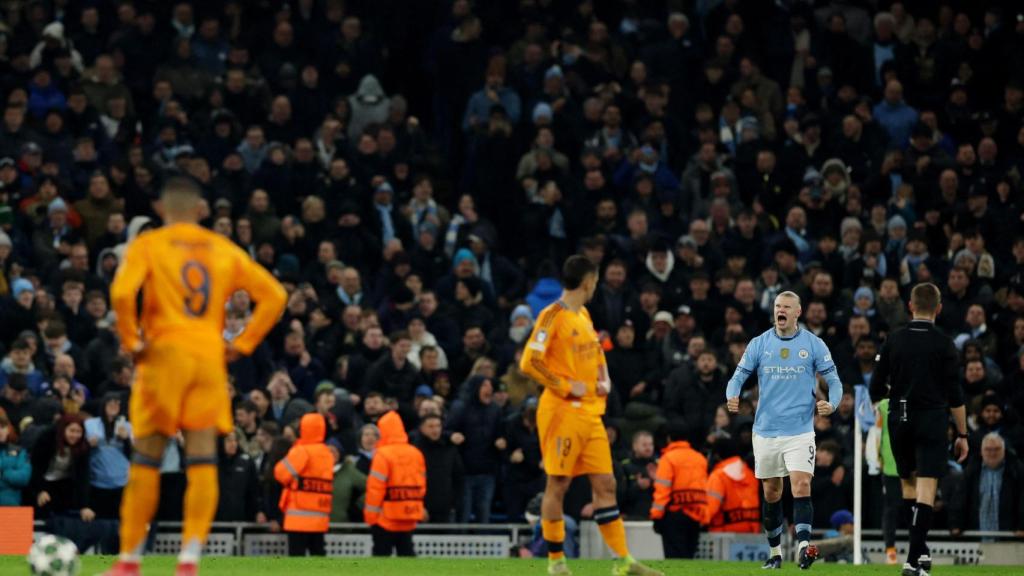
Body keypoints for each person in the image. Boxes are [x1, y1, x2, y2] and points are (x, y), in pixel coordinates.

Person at [103, 177, 287, 576]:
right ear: (201, 209)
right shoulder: (222, 248)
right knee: (203, 460)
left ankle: (130, 560)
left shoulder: (150, 245)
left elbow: (121, 294)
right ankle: (189, 559)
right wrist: (243, 343)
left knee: (146, 460)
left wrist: (132, 340)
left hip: (164, 355)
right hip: (207, 357)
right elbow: (275, 295)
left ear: (161, 208)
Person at [519, 255, 662, 576]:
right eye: (595, 280)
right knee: (558, 484)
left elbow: (596, 353)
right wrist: (565, 385)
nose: (595, 285)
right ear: (588, 281)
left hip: (590, 413)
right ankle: (556, 561)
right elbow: (530, 362)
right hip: (562, 412)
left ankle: (623, 563)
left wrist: (603, 378)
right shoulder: (551, 315)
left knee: (606, 483)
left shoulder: (583, 314)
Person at [726, 290, 843, 569]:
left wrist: (832, 404)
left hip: (800, 431)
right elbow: (737, 377)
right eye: (778, 306)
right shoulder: (759, 343)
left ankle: (803, 548)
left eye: (787, 307)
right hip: (765, 431)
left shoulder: (813, 344)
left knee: (801, 484)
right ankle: (775, 553)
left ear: (797, 312)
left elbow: (834, 381)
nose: (781, 310)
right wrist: (732, 395)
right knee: (772, 492)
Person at [871, 282, 969, 576]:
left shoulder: (894, 339)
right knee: (927, 489)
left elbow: (876, 388)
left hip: (899, 418)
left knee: (908, 487)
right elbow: (955, 395)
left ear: (910, 306)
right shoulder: (945, 343)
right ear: (938, 308)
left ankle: (921, 551)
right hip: (932, 419)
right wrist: (963, 434)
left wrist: (898, 393)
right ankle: (913, 559)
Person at [364, 410, 426, 557]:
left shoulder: (382, 454)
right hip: (409, 513)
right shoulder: (416, 453)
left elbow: (375, 489)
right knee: (407, 555)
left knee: (381, 558)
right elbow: (422, 485)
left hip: (386, 517)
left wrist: (371, 516)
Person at [274, 413, 334, 556]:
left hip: (298, 519)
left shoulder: (302, 451)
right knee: (318, 559)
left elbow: (280, 473)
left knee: (297, 562)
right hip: (320, 518)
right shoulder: (327, 453)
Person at [649, 422, 707, 559]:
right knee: (688, 559)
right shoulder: (699, 458)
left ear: (669, 438)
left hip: (673, 515)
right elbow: (705, 490)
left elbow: (662, 490)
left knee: (674, 560)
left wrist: (656, 516)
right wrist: (705, 516)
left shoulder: (668, 458)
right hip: (695, 515)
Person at [704, 438, 760, 534]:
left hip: (722, 536)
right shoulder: (750, 475)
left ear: (717, 455)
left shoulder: (718, 476)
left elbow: (710, 510)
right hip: (751, 535)